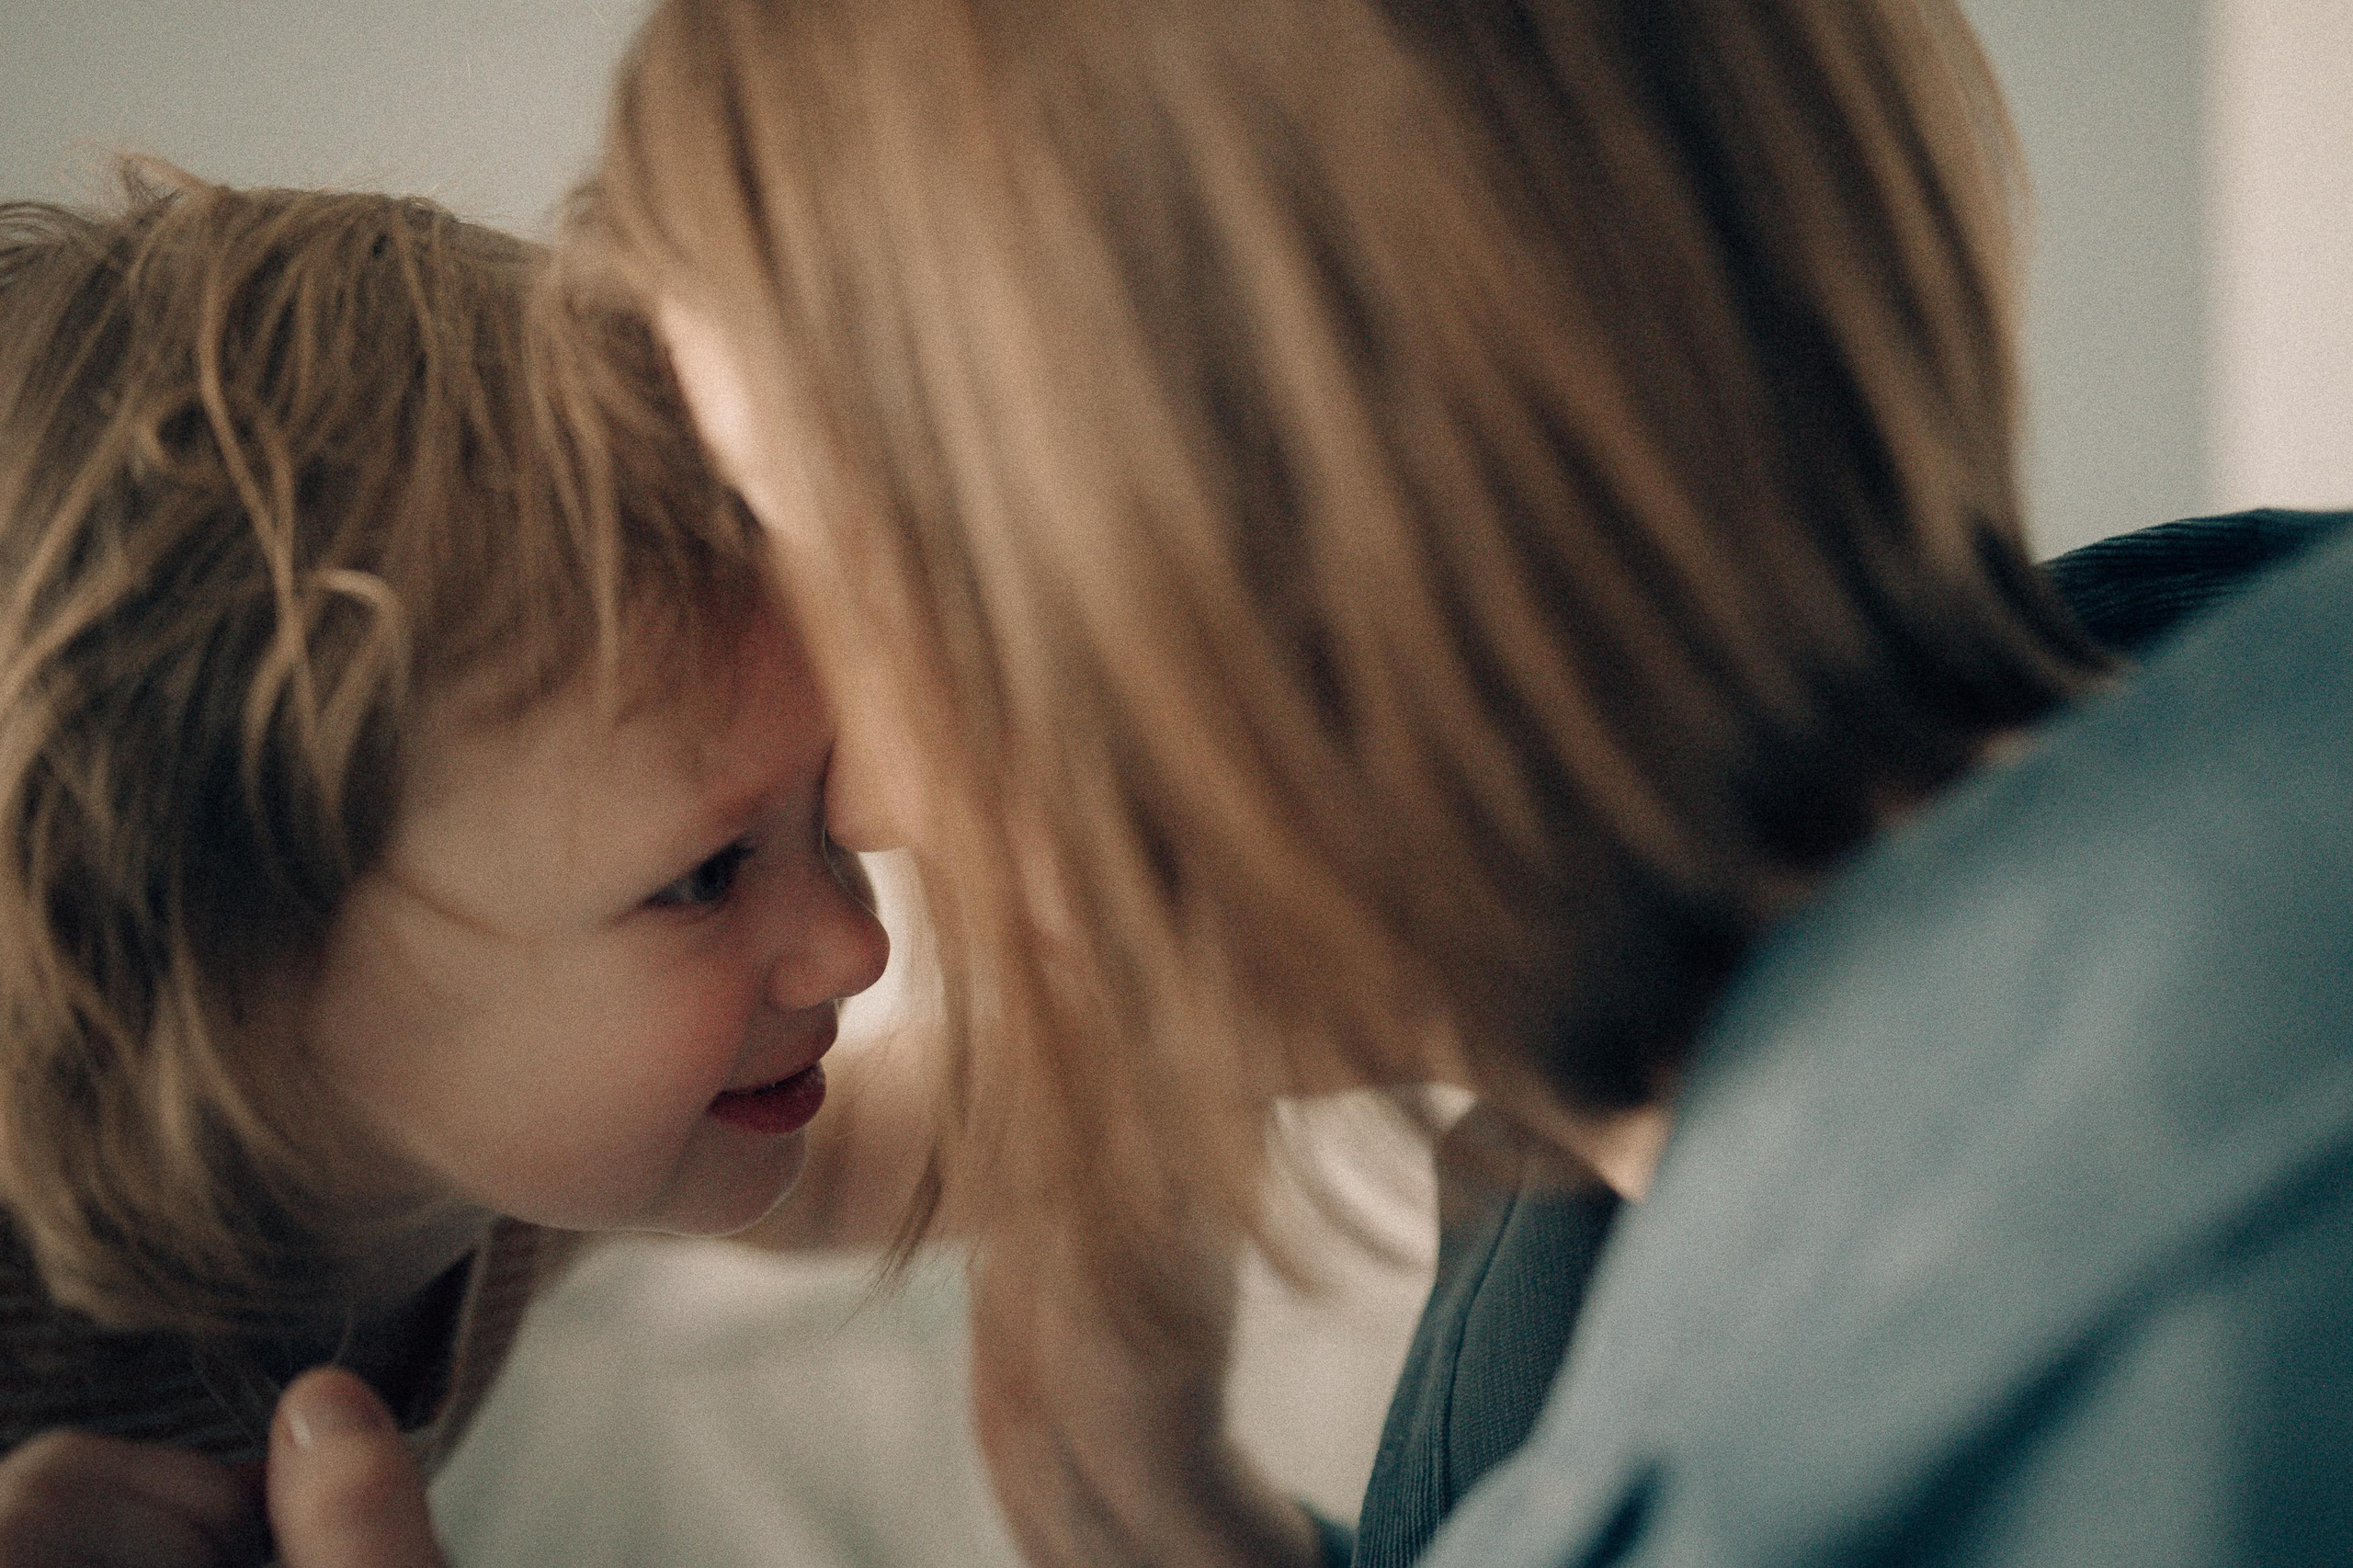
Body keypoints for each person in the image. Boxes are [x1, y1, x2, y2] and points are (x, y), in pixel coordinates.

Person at [251, 0, 2353, 1563]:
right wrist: (1150, 1508)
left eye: (852, 580)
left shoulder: (2167, 1292)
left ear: (1271, 534)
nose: (864, 793)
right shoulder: (1619, 1168)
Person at [0, 164, 889, 1559]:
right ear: (239, 949)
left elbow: (856, 1167)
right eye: (708, 872)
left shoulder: (475, 1137)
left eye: (822, 814)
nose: (859, 944)